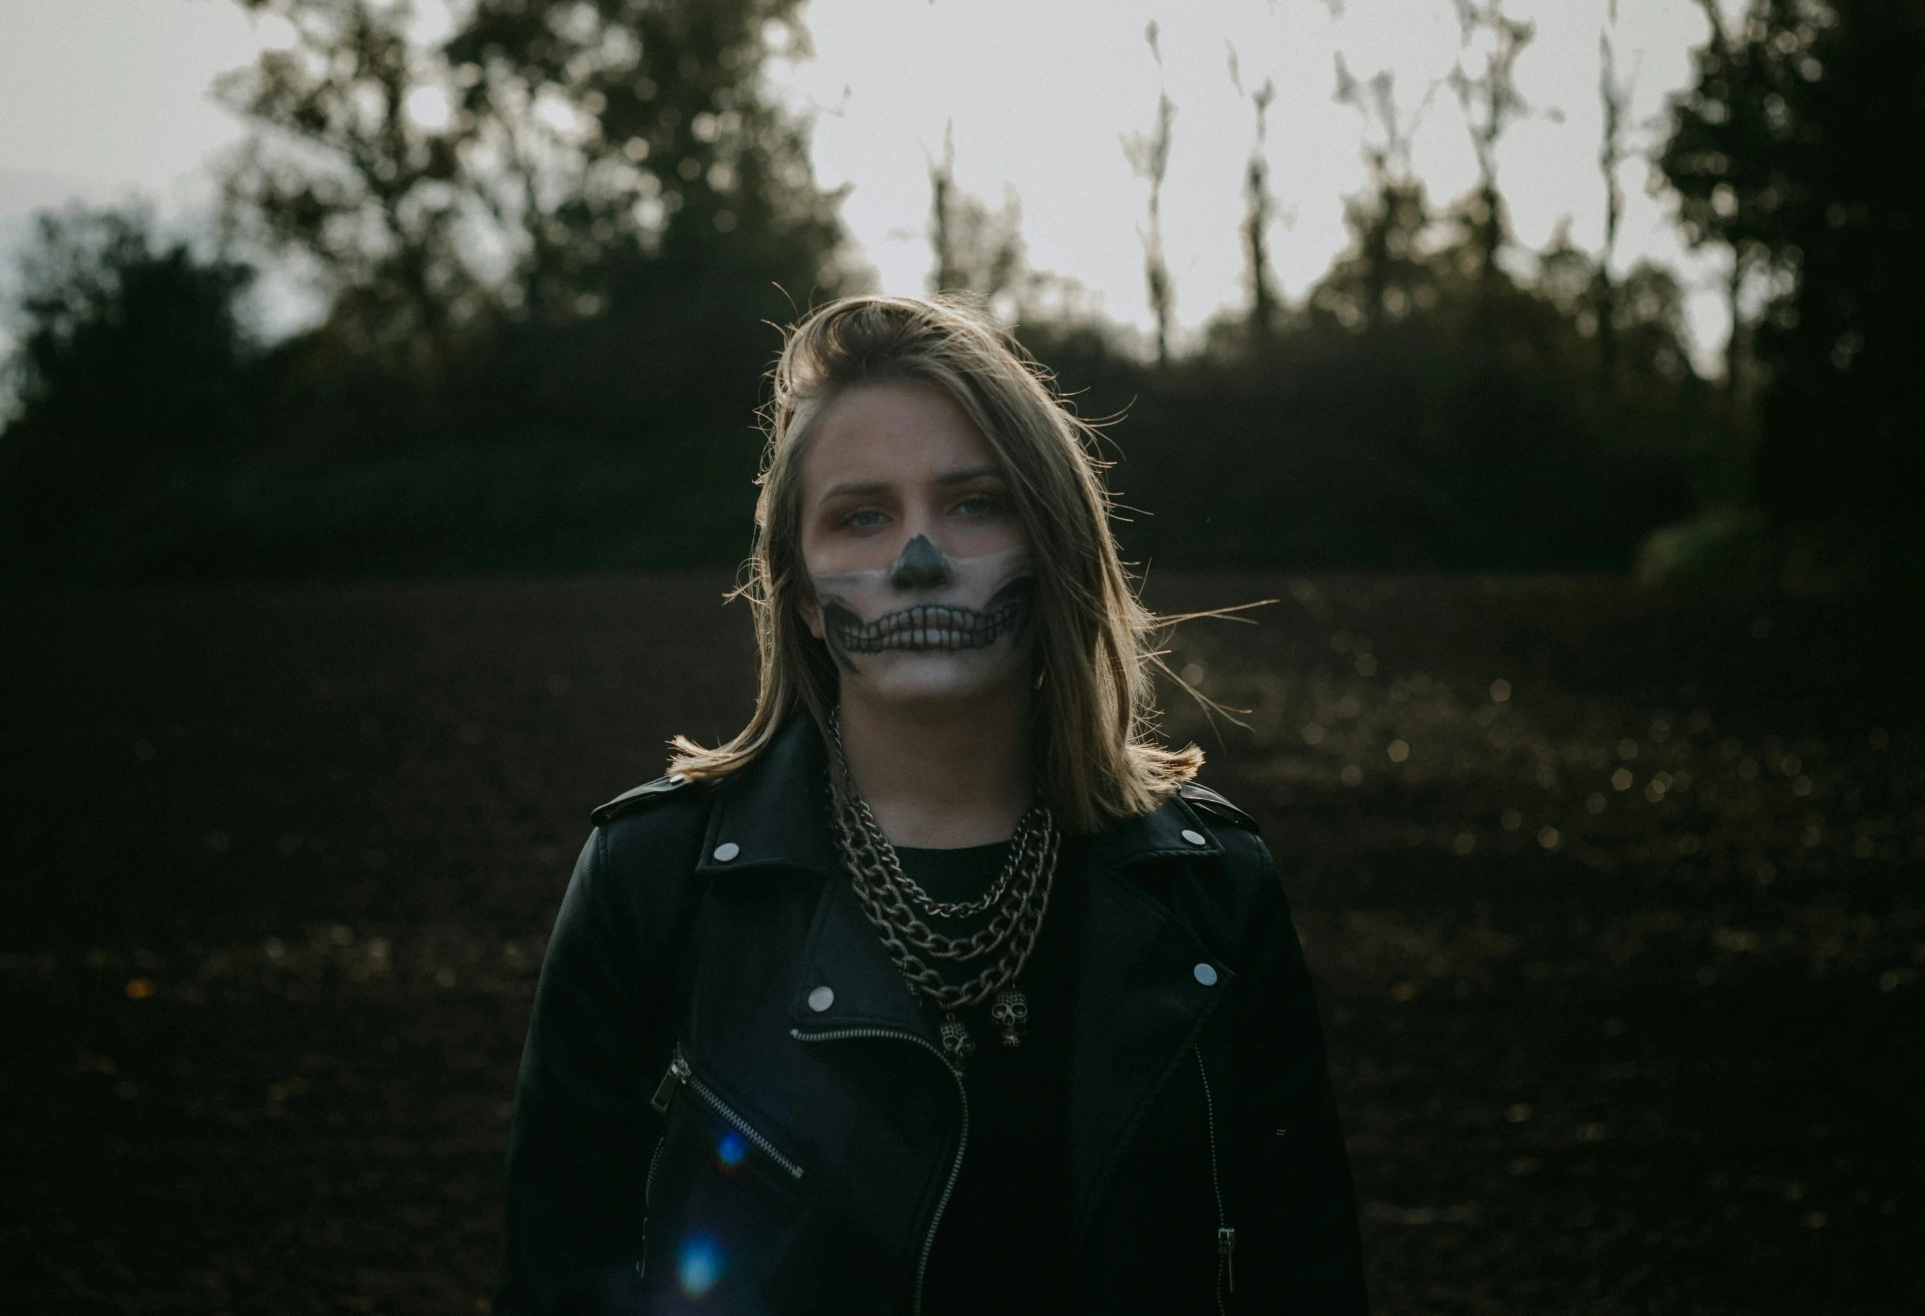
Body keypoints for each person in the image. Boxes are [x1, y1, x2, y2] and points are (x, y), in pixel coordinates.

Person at [495, 295, 1364, 1315]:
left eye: (973, 503)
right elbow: (557, 1280)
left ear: (1051, 549)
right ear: (807, 594)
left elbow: (1301, 1273)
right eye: (861, 515)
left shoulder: (1209, 885)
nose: (918, 557)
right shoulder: (652, 880)